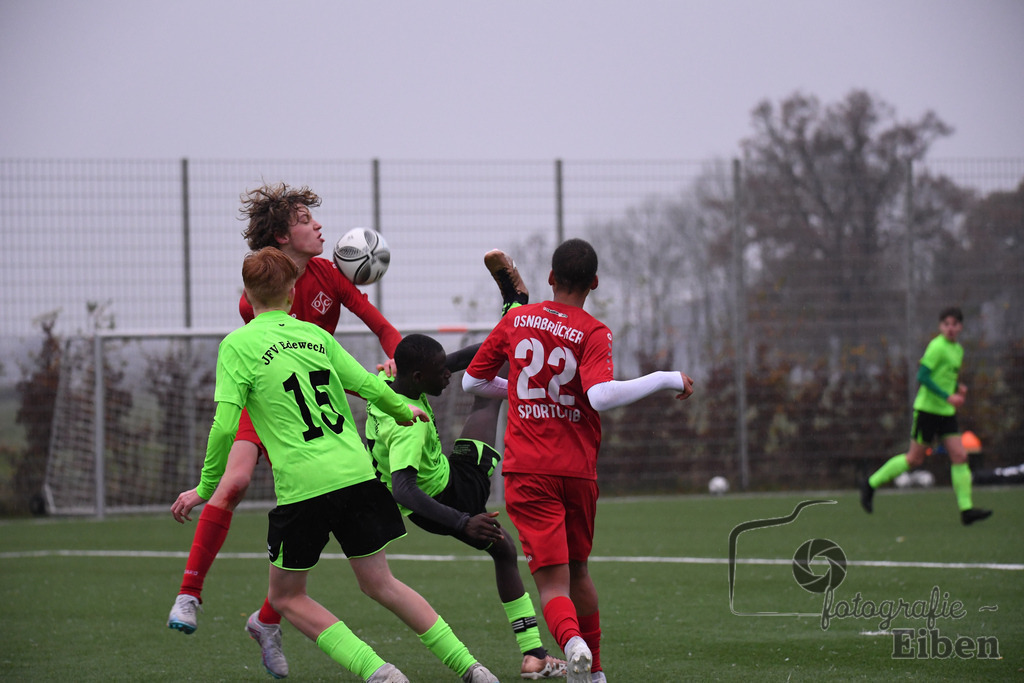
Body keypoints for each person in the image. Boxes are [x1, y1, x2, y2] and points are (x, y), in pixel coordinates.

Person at [193, 246, 498, 683]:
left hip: (305, 486)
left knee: (286, 598)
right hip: (357, 476)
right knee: (382, 584)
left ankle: (380, 672)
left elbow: (224, 429)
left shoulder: (236, 346)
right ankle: (472, 667)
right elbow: (367, 386)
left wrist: (206, 488)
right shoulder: (316, 337)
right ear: (293, 290)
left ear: (246, 293)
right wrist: (402, 410)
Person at [168, 182, 402, 678]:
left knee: (313, 520)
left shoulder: (330, 276)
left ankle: (268, 620)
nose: (319, 226)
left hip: (309, 410)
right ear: (281, 235)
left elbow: (382, 326)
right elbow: (263, 365)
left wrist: (396, 356)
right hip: (268, 402)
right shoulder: (255, 299)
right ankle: (189, 595)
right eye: (305, 220)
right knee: (231, 485)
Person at [462, 239, 695, 683]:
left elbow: (472, 381)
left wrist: (516, 391)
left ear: (550, 278)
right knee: (580, 571)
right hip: (577, 472)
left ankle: (571, 647)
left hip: (530, 472)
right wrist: (668, 378)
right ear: (594, 283)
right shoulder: (594, 331)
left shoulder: (517, 319)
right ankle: (594, 674)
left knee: (552, 584)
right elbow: (600, 395)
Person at [365, 252, 564, 680]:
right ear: (417, 378)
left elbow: (454, 364)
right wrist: (461, 522)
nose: (447, 378)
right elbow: (404, 490)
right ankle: (534, 656)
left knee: (489, 369)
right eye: (439, 374)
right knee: (505, 549)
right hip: (452, 495)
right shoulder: (409, 428)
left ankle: (515, 308)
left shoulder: (385, 384)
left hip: (446, 476)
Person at [859, 306, 992, 525]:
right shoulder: (937, 347)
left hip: (946, 413)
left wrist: (958, 388)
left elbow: (946, 375)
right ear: (941, 326)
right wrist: (947, 396)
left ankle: (966, 510)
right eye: (946, 324)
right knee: (914, 459)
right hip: (928, 411)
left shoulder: (958, 349)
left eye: (954, 324)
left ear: (960, 327)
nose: (950, 328)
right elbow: (923, 376)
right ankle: (870, 483)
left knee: (960, 456)